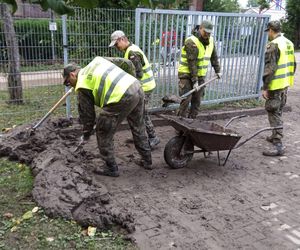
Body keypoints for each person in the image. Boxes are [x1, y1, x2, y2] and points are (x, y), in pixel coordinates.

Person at [62, 56, 153, 177]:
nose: (70, 86)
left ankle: (110, 167)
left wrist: (87, 133)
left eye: (68, 82)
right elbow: (127, 63)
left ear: (73, 75)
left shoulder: (82, 85)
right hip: (136, 86)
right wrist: (132, 78)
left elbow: (88, 116)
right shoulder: (97, 61)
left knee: (103, 130)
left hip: (121, 97)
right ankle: (147, 160)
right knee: (138, 125)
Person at [109, 30, 160, 149]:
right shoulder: (129, 50)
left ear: (122, 39)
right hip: (142, 87)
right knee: (136, 113)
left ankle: (153, 137)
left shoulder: (132, 53)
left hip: (145, 87)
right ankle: (140, 136)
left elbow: (138, 74)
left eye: (116, 44)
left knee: (141, 113)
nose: (116, 47)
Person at [262, 21, 296, 156]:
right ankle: (274, 135)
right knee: (279, 109)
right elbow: (293, 64)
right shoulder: (288, 42)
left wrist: (266, 87)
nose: (268, 34)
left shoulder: (274, 45)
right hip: (285, 83)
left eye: (268, 31)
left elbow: (270, 69)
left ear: (271, 30)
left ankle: (278, 144)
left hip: (275, 85)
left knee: (273, 110)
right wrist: (288, 80)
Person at [177, 20, 221, 119]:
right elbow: (192, 63)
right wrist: (195, 81)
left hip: (200, 76)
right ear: (200, 28)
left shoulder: (211, 41)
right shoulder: (191, 41)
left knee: (197, 101)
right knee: (186, 100)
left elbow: (214, 57)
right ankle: (180, 125)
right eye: (205, 31)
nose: (207, 34)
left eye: (209, 32)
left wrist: (217, 70)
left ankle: (191, 123)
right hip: (186, 75)